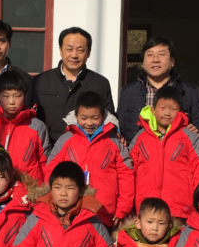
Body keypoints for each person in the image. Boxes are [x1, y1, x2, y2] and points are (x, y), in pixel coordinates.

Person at [45, 91, 134, 228]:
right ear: (76, 116)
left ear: (103, 116)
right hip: (71, 211)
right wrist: (54, 201)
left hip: (105, 212)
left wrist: (122, 209)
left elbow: (126, 176)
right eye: (84, 118)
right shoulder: (66, 140)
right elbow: (51, 171)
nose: (89, 123)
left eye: (95, 118)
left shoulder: (114, 141)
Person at [129, 86, 199, 219]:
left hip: (180, 211)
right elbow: (129, 171)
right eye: (162, 108)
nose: (167, 113)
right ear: (153, 110)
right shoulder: (140, 137)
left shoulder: (189, 136)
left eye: (173, 108)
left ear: (180, 111)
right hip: (146, 210)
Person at [32, 27, 115, 145]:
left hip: (87, 149)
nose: (74, 55)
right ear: (61, 50)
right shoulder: (41, 81)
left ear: (89, 52)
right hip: (48, 149)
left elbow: (109, 120)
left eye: (80, 50)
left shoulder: (100, 83)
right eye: (69, 49)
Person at [118, 36, 199, 144]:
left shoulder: (190, 91)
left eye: (161, 54)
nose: (155, 59)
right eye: (150, 54)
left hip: (177, 151)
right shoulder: (127, 92)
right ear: (143, 62)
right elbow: (121, 128)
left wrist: (196, 130)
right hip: (137, 152)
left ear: (172, 61)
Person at [0, 70, 51, 184]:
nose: (11, 101)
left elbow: (45, 162)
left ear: (25, 96)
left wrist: (47, 190)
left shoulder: (37, 126)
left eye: (17, 96)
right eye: (5, 96)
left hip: (31, 189)